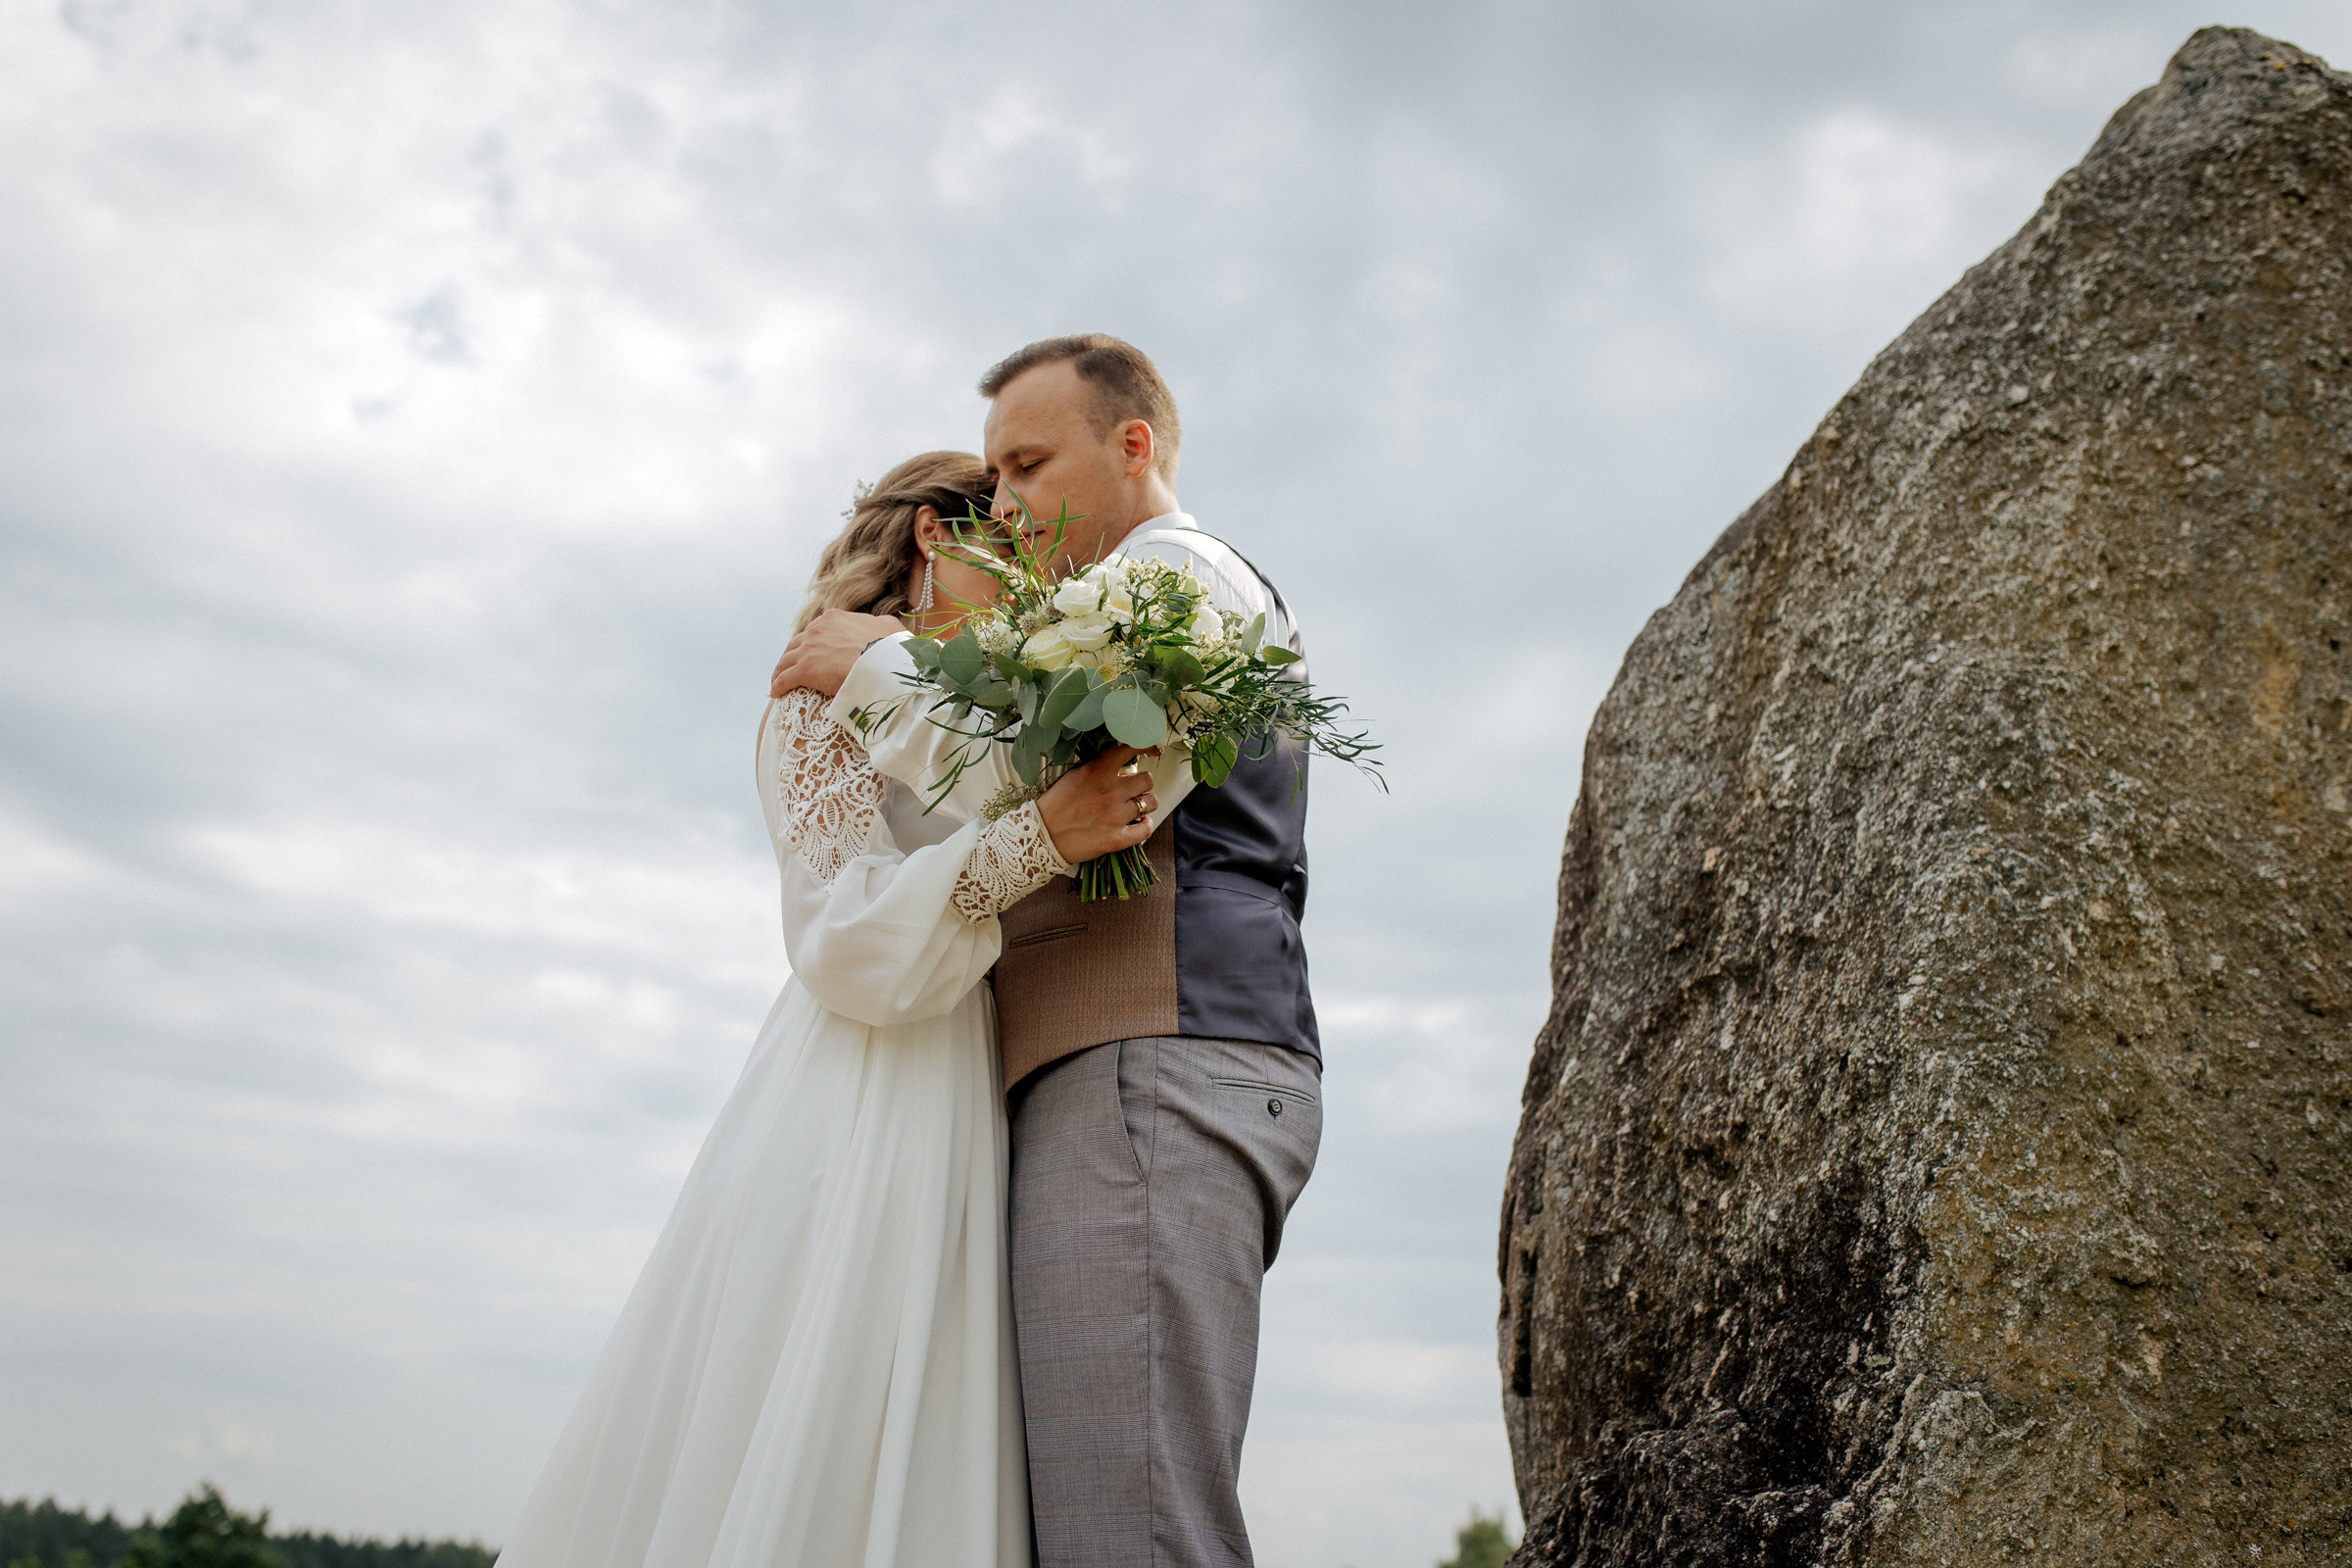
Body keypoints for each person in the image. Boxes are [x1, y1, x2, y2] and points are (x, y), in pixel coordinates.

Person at [499, 451, 1158, 1568]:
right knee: (827, 1414)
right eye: (1014, 543)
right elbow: (844, 939)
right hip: (861, 1091)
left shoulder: (991, 703)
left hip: (971, 1090)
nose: (1041, 583)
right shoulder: (814, 702)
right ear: (936, 543)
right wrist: (1039, 839)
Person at [770, 336, 1322, 1568]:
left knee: (1129, 1534)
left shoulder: (1174, 577)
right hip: (1128, 1069)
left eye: (1027, 463)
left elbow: (1062, 778)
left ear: (1133, 445)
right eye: (992, 477)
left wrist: (874, 666)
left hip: (1151, 1061)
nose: (1006, 504)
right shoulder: (1121, 594)